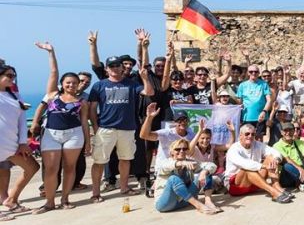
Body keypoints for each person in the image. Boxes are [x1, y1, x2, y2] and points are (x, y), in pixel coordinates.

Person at [33, 42, 91, 213]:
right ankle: (49, 202)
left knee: (69, 167)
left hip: (74, 135)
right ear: (62, 83)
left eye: (74, 83)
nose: (71, 85)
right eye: (68, 82)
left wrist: (88, 143)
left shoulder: (82, 102)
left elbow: (84, 123)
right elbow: (53, 72)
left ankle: (65, 199)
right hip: (51, 134)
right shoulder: (53, 94)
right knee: (51, 168)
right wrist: (51, 52)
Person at [88, 55, 154, 202]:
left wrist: (145, 78)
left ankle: (124, 187)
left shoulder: (131, 84)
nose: (115, 68)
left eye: (117, 65)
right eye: (111, 66)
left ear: (122, 67)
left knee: (125, 159)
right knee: (99, 161)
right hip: (106, 128)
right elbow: (92, 108)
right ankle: (95, 192)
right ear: (106, 69)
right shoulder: (99, 85)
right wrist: (96, 126)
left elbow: (149, 92)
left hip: (127, 129)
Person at [0, 64, 40, 220]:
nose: (12, 78)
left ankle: (11, 200)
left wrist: (23, 142)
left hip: (12, 144)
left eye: (13, 75)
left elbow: (23, 119)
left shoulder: (14, 95)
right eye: (9, 76)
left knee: (32, 167)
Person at [223, 124, 292, 203]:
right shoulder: (233, 148)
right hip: (236, 186)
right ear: (240, 135)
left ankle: (276, 185)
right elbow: (245, 164)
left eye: (253, 134)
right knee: (247, 169)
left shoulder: (257, 144)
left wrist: (275, 161)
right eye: (247, 134)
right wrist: (265, 166)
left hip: (255, 183)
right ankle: (273, 192)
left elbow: (276, 153)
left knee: (271, 158)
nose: (250, 136)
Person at [153, 139, 220, 214]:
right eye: (177, 149)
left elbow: (211, 165)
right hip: (166, 204)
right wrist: (181, 163)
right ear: (171, 152)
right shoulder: (166, 162)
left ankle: (208, 202)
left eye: (184, 149)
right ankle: (199, 206)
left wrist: (204, 172)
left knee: (207, 171)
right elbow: (165, 167)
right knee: (173, 179)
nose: (181, 151)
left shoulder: (190, 162)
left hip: (184, 201)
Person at [237, 65, 272, 138]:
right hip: (246, 117)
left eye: (256, 71)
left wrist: (264, 111)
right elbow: (239, 102)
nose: (253, 73)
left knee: (259, 138)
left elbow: (269, 100)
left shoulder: (264, 84)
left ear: (259, 73)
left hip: (260, 117)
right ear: (248, 73)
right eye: (251, 71)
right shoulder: (242, 85)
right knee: (246, 138)